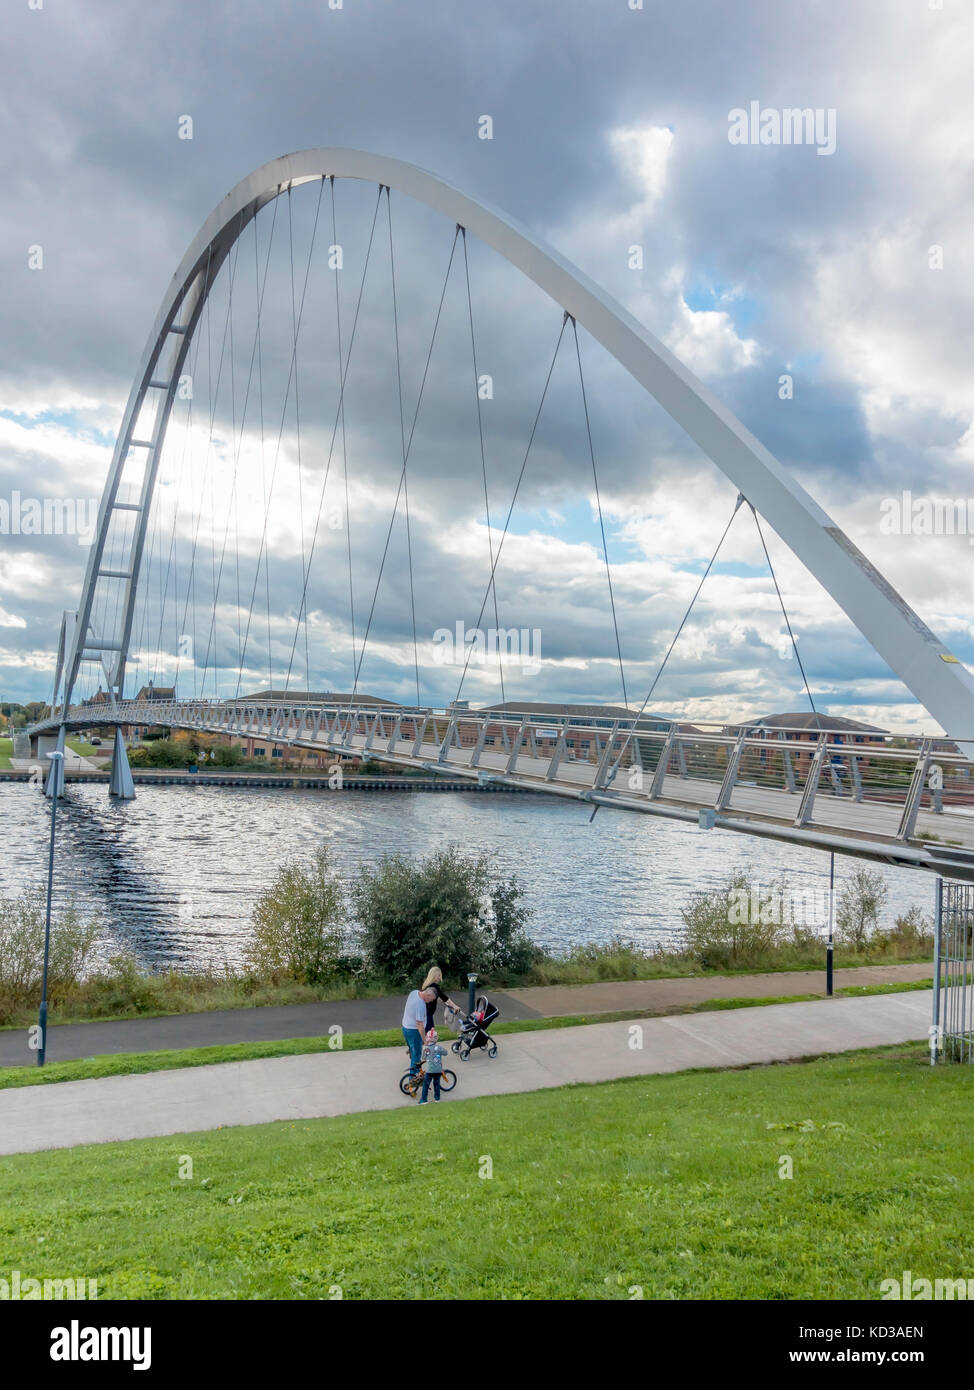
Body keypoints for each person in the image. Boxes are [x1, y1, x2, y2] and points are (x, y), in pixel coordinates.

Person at [402, 987, 435, 1077]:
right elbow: (419, 1025)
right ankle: (413, 1081)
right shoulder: (420, 1004)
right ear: (428, 995)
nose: (429, 1002)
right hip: (413, 1032)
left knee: (413, 1052)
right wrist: (425, 1040)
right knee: (416, 1057)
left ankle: (412, 1050)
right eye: (431, 999)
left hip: (405, 1028)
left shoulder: (414, 992)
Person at [420, 966, 459, 1033]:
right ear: (434, 976)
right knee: (430, 1034)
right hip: (427, 1014)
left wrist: (437, 999)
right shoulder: (434, 987)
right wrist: (454, 1006)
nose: (439, 978)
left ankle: (425, 1042)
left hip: (423, 1013)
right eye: (438, 975)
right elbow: (445, 998)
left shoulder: (427, 985)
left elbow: (429, 997)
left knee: (427, 1033)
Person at [418, 1027, 446, 1104]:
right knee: (436, 1083)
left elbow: (423, 1058)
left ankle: (424, 1100)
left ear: (427, 1038)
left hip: (430, 1070)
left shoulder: (426, 1049)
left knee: (426, 1084)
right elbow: (445, 1053)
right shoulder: (439, 1048)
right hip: (438, 1070)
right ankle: (437, 1099)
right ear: (436, 1039)